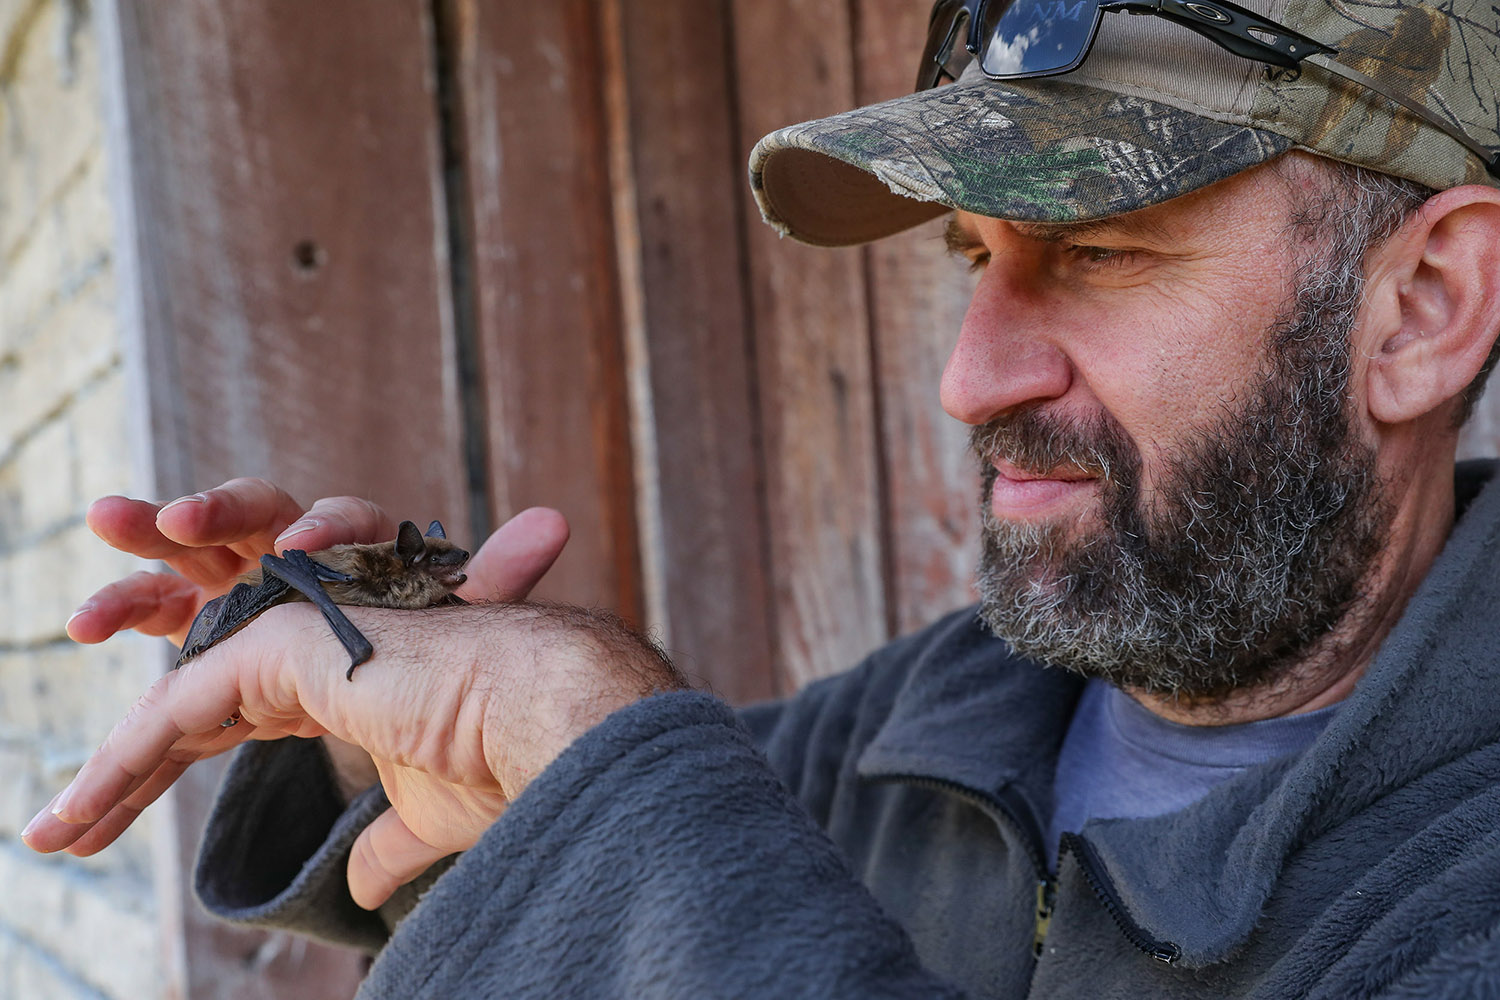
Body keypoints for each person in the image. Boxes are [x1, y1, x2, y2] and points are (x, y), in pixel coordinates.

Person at [22, 0, 1500, 995]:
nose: (969, 379)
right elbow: (609, 886)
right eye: (975, 257)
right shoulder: (922, 728)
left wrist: (590, 747)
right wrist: (372, 711)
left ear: (1423, 306)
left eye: (1100, 250)